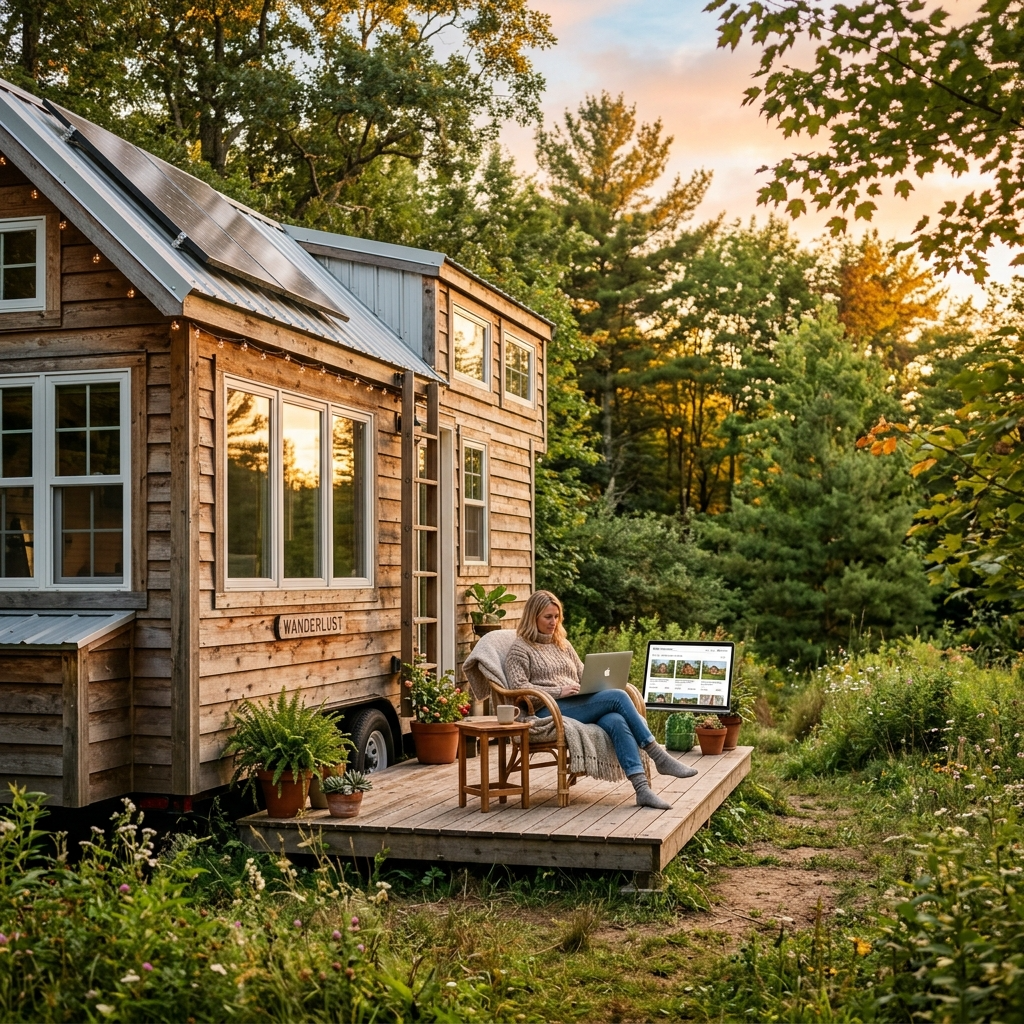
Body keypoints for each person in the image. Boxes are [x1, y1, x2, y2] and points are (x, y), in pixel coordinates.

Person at [504, 590, 697, 810]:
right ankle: (658, 756)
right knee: (618, 696)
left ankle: (642, 790)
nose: (553, 622)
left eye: (556, 617)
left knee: (616, 720)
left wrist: (593, 684)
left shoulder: (562, 645)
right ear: (533, 617)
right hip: (547, 710)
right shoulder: (520, 649)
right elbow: (518, 689)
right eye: (548, 617)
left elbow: (583, 674)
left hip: (575, 704)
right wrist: (559, 691)